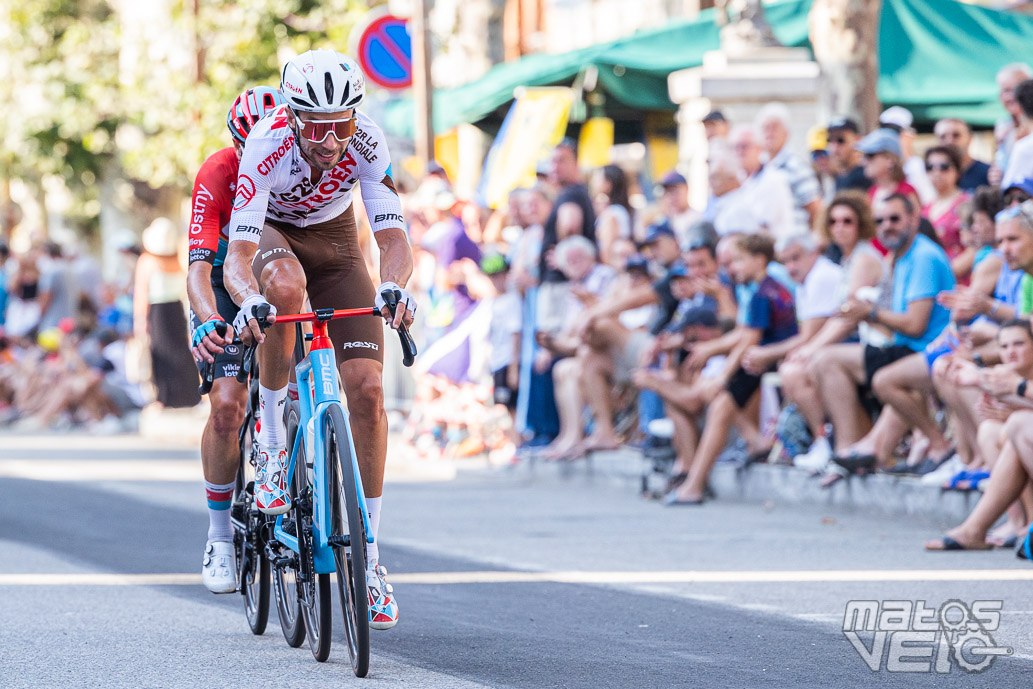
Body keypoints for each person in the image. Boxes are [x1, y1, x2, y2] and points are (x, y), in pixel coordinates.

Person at [223, 50, 415, 630]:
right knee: (283, 287)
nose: (331, 139)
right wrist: (247, 298)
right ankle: (275, 443)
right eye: (318, 124)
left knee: (368, 391)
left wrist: (396, 288)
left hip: (336, 242)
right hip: (278, 235)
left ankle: (372, 560)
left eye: (342, 123)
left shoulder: (369, 141)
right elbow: (239, 257)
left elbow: (394, 238)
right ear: (292, 114)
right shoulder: (268, 143)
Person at [186, 85, 286, 594]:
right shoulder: (218, 172)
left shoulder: (301, 160)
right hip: (225, 285)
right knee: (227, 406)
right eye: (249, 150)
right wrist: (206, 318)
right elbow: (200, 269)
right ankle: (220, 535)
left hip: (279, 275)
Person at [811, 194, 954, 466]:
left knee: (849, 367)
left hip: (923, 348)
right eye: (880, 220)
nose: (887, 225)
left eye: (894, 219)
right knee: (825, 359)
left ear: (913, 219)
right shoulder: (901, 255)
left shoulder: (922, 256)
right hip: (905, 346)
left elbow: (915, 325)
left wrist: (870, 314)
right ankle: (857, 448)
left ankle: (936, 444)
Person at [666, 234, 797, 505]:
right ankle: (753, 441)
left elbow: (749, 338)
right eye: (727, 263)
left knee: (720, 405)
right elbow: (743, 332)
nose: (730, 269)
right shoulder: (758, 287)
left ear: (759, 260)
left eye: (736, 261)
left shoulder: (764, 292)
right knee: (716, 396)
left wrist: (723, 376)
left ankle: (694, 484)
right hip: (759, 357)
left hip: (764, 360)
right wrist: (712, 353)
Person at [134, 217, 200, 409]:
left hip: (158, 311)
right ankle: (189, 394)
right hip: (176, 309)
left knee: (162, 353)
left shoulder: (146, 261)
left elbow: (142, 294)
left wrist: (140, 320)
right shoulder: (177, 260)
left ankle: (166, 396)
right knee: (180, 351)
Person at [756, 102, 823, 231]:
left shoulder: (797, 166)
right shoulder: (759, 166)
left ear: (786, 133)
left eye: (774, 127)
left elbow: (815, 208)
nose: (769, 133)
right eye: (765, 128)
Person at [729, 125, 794, 239]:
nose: (739, 152)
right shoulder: (738, 179)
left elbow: (760, 226)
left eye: (744, 147)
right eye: (735, 147)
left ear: (759, 148)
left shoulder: (773, 179)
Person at [922, 145, 969, 271]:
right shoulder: (925, 208)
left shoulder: (967, 203)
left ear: (957, 170)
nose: (936, 173)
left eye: (944, 167)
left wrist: (946, 274)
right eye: (930, 167)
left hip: (958, 280)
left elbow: (975, 248)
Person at [879, 106, 935, 205]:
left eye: (896, 132)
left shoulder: (916, 165)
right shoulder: (881, 166)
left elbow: (927, 201)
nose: (891, 137)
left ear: (910, 134)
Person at [590, 165, 633, 264]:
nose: (593, 181)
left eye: (597, 177)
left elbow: (606, 251)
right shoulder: (620, 211)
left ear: (608, 184)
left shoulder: (612, 213)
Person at [934, 118, 990, 193]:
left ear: (969, 139)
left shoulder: (988, 173)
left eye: (956, 135)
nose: (949, 141)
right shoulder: (932, 175)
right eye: (943, 137)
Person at [656, 170, 700, 249]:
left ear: (686, 189)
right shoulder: (664, 221)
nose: (671, 197)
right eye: (668, 192)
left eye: (675, 191)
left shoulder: (699, 218)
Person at [826, 117, 869, 193]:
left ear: (857, 140)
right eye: (829, 140)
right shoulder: (840, 177)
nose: (834, 148)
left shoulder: (866, 176)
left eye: (841, 140)